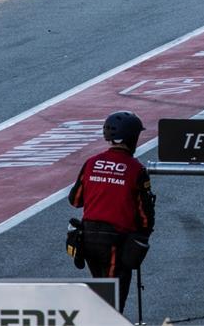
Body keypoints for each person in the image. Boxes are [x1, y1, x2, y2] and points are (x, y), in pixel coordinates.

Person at [69, 111, 155, 315]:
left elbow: (75, 200)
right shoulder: (136, 170)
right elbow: (145, 216)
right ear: (132, 138)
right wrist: (140, 240)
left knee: (101, 291)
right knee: (113, 300)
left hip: (88, 239)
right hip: (116, 241)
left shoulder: (91, 163)